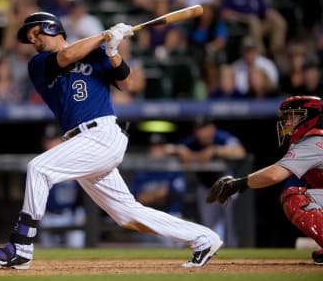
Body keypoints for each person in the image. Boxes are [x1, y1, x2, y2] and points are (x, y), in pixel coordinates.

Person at [0, 11, 222, 270]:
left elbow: (128, 83)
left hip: (102, 134)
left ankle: (21, 247)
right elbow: (67, 56)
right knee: (128, 215)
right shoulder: (39, 63)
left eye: (35, 33)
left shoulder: (96, 53)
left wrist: (113, 50)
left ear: (51, 28)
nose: (33, 40)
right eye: (29, 38)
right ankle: (203, 238)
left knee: (38, 168)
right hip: (81, 142)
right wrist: (104, 36)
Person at [206, 95, 323, 265]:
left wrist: (238, 184)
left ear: (309, 117)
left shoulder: (313, 141)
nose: (288, 122)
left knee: (294, 197)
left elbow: (274, 174)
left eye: (293, 116)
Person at [163, 116, 246, 247]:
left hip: (227, 186)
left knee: (231, 226)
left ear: (211, 128)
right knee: (210, 227)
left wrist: (214, 150)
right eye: (197, 129)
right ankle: (216, 255)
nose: (200, 133)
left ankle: (234, 254)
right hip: (206, 188)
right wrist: (179, 150)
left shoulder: (221, 137)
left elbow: (240, 152)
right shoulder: (192, 142)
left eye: (203, 129)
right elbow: (166, 148)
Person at [130, 133, 186, 247]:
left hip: (170, 216)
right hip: (148, 217)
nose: (155, 150)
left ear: (165, 149)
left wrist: (150, 197)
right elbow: (136, 199)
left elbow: (173, 196)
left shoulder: (173, 168)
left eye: (159, 146)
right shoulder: (142, 171)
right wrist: (158, 195)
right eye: (152, 146)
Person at [37, 123, 86, 249]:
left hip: (71, 214)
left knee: (76, 246)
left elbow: (86, 192)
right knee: (47, 253)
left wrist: (84, 212)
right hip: (47, 215)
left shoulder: (76, 162)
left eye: (54, 140)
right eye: (47, 141)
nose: (50, 145)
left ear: (63, 140)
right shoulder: (37, 165)